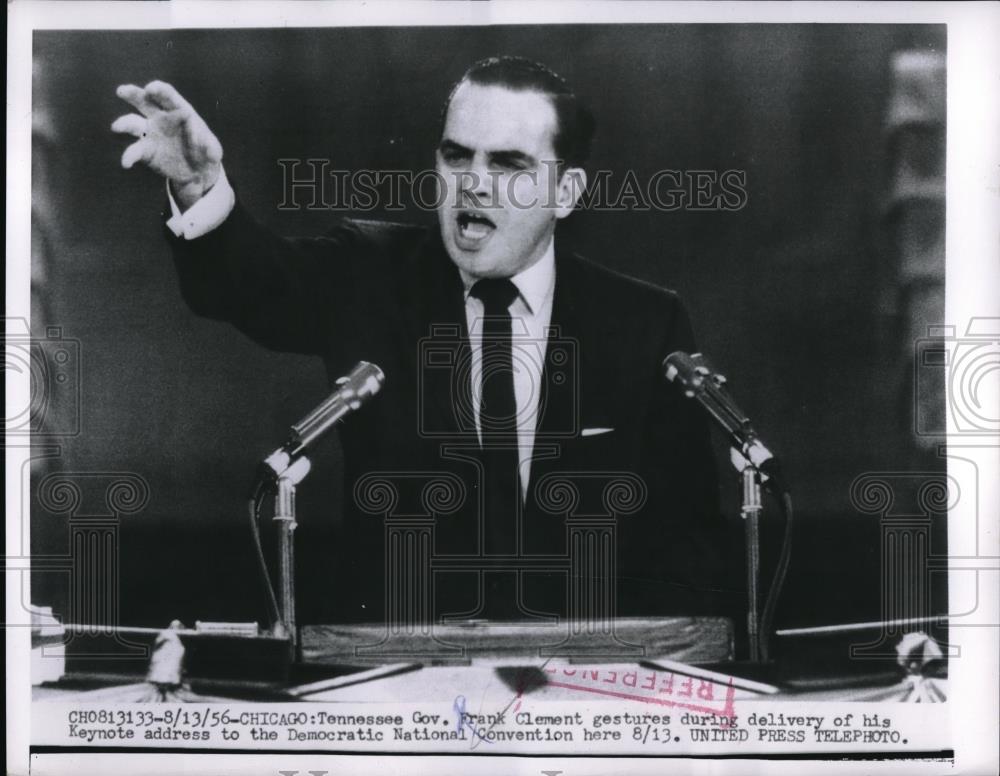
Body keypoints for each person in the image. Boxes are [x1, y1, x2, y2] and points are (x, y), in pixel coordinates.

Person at [112, 56, 730, 627]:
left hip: (580, 683)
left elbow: (688, 544)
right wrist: (200, 186)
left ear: (565, 192)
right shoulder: (368, 273)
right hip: (396, 675)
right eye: (457, 157)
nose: (473, 184)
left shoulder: (644, 323)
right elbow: (247, 284)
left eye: (507, 165)